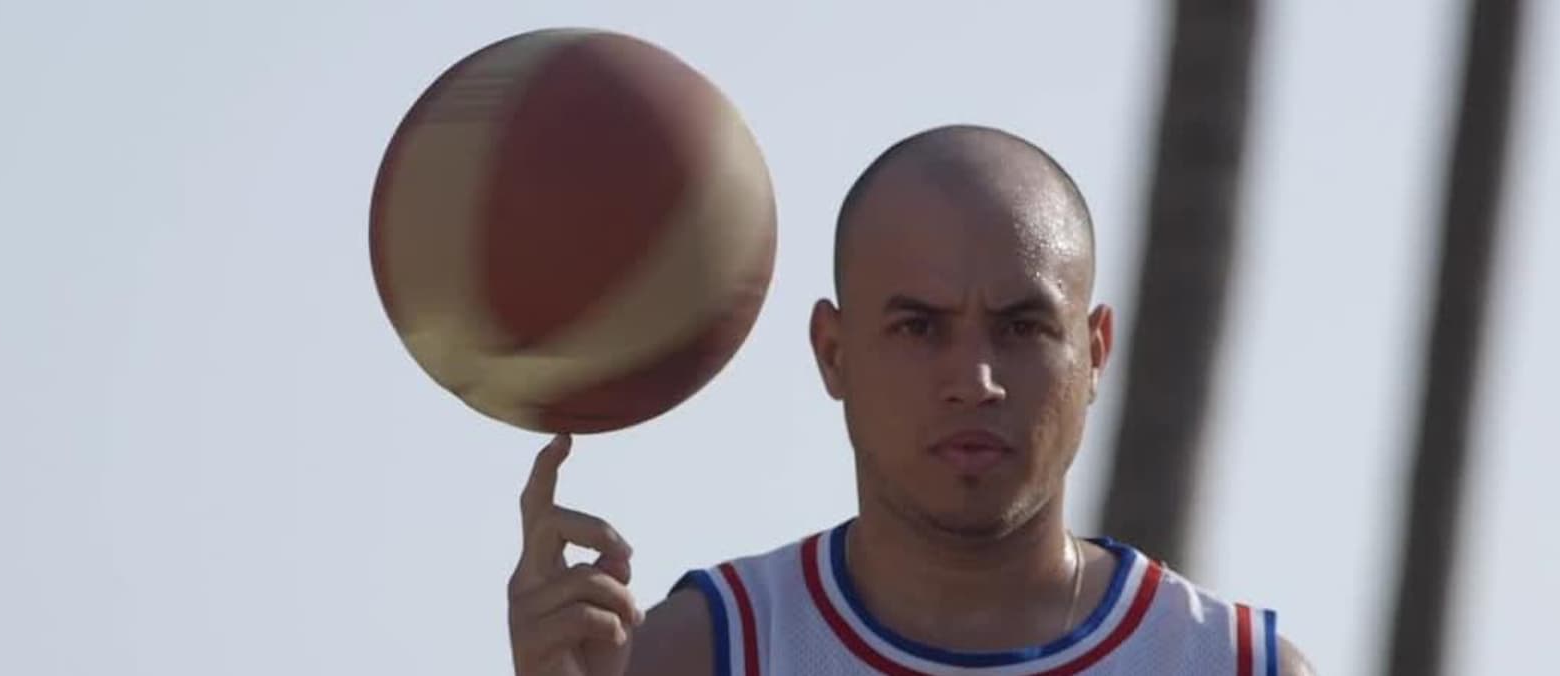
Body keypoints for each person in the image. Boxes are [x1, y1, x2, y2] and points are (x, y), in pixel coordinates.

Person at [504, 124, 1316, 675]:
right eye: (920, 327)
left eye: (1022, 327)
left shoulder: (1231, 664)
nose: (975, 379)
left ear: (1095, 352)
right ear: (834, 352)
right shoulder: (705, 653)